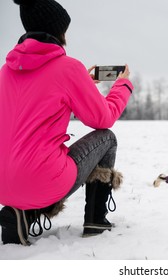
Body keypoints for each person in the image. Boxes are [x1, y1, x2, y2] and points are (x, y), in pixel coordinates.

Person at [0, 0, 133, 245]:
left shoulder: (5, 71)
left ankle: (21, 213)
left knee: (28, 169)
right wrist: (122, 86)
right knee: (107, 138)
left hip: (3, 185)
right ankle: (96, 219)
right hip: (42, 180)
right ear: (58, 32)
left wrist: (83, 87)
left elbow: (37, 107)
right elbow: (103, 118)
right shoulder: (68, 68)